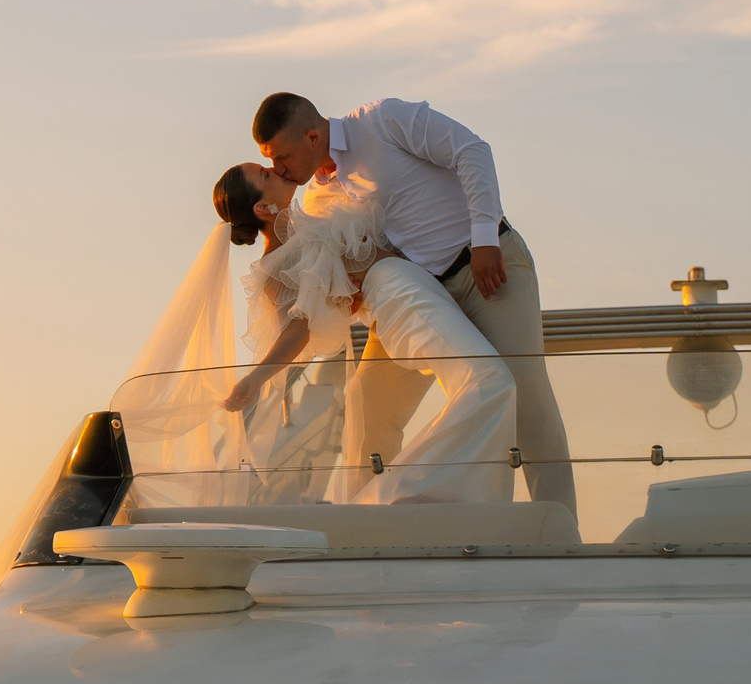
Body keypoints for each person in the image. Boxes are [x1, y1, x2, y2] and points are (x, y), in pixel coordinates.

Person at [254, 93, 577, 511]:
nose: (278, 169)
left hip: (486, 272)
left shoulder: (382, 120)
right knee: (368, 404)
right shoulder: (314, 203)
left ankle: (564, 534)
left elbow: (471, 151)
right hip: (419, 302)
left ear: (313, 136)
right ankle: (363, 532)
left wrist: (483, 239)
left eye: (282, 157)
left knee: (529, 407)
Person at [211, 162, 517, 505]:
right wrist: (256, 378)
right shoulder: (277, 266)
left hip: (405, 297)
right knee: (489, 381)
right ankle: (395, 499)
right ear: (262, 208)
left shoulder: (313, 217)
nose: (275, 169)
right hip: (397, 297)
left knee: (367, 420)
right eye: (265, 175)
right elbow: (297, 332)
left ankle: (371, 509)